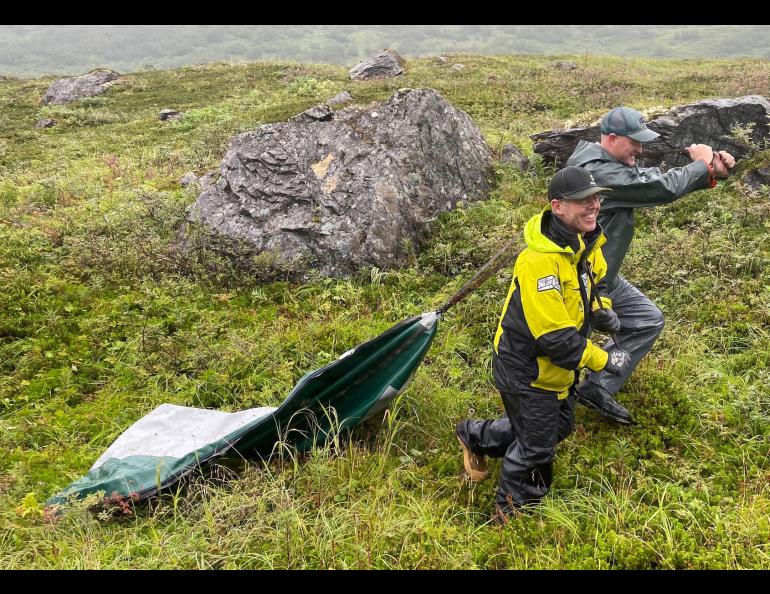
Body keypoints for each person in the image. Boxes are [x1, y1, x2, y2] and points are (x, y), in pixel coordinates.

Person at [456, 166, 631, 518]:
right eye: (583, 200)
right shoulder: (538, 262)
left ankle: (476, 436)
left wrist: (602, 310)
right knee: (536, 448)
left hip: (555, 368)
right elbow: (556, 339)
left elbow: (598, 284)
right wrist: (604, 360)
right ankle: (512, 516)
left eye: (596, 198)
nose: (593, 206)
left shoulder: (586, 241)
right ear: (557, 206)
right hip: (526, 368)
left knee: (560, 426)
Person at [565, 106, 735, 424]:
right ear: (612, 138)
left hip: (604, 273)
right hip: (578, 280)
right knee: (567, 349)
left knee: (647, 319)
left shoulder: (607, 165)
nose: (640, 149)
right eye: (635, 142)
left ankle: (597, 387)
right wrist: (701, 164)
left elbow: (647, 181)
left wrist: (708, 172)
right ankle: (534, 421)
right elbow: (657, 188)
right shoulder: (596, 173)